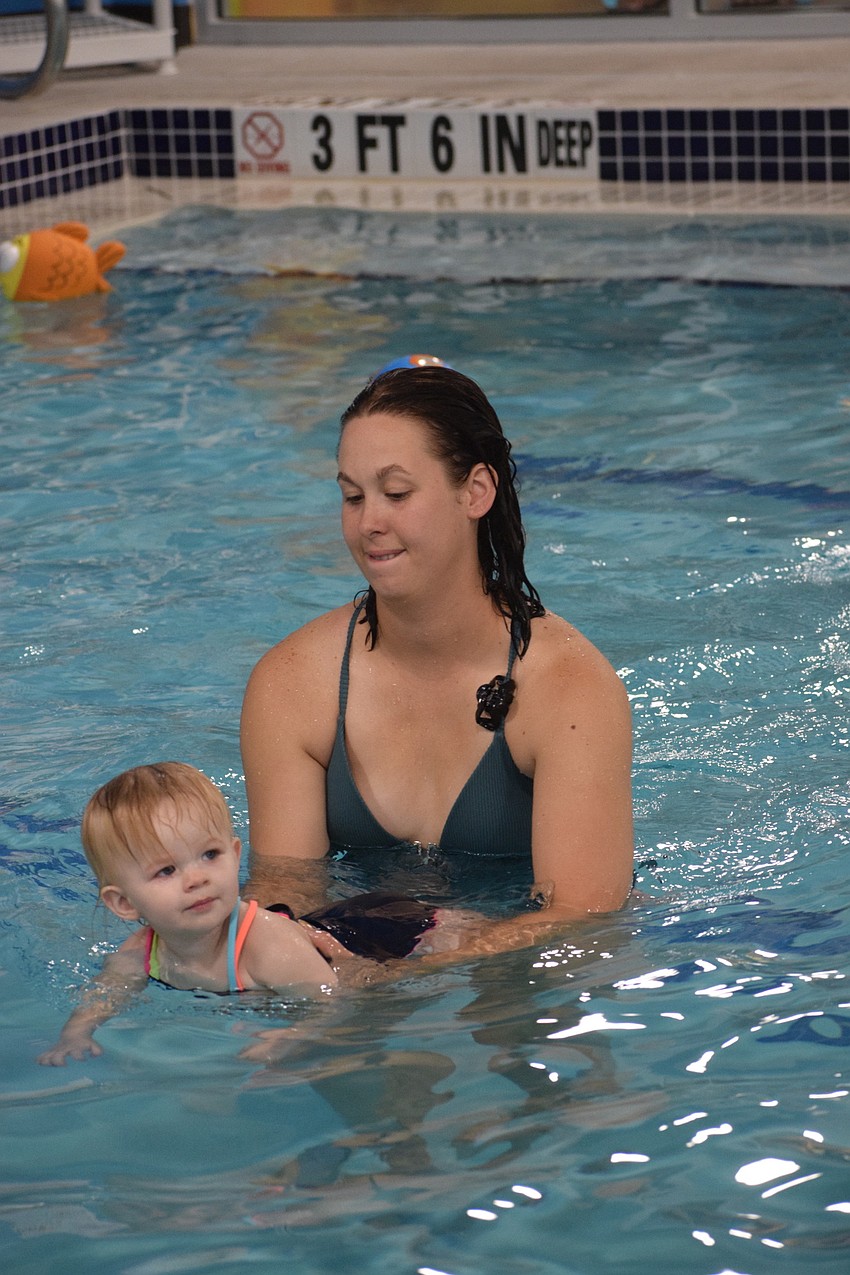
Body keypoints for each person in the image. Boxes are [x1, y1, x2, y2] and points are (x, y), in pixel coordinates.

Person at [241, 364, 634, 945]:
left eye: (397, 493)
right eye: (352, 496)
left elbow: (584, 922)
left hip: (517, 982)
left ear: (476, 491)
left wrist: (418, 963)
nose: (370, 522)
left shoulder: (570, 689)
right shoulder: (294, 684)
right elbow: (287, 899)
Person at [37, 762, 476, 1066]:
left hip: (383, 925)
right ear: (124, 904)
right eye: (167, 870)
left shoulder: (267, 946)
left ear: (234, 854)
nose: (196, 879)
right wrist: (76, 1034)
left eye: (209, 855)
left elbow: (334, 1001)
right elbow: (105, 994)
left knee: (473, 943)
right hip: (329, 926)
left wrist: (296, 1034)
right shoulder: (142, 952)